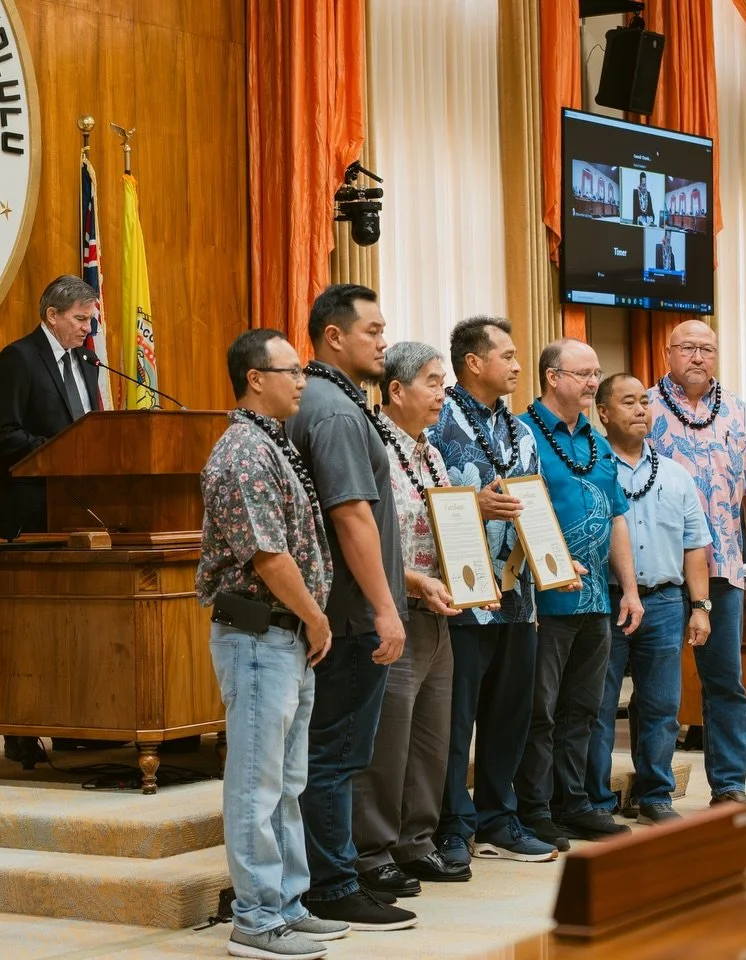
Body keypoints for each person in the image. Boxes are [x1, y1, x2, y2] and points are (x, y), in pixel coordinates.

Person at [196, 329, 350, 960]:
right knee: (257, 785)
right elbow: (265, 554)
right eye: (291, 371)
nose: (302, 382)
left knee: (287, 783)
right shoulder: (242, 453)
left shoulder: (272, 445)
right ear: (256, 378)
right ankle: (256, 919)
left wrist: (309, 621)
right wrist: (316, 616)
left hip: (285, 638)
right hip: (260, 635)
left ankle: (286, 903)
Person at [285, 284, 417, 931]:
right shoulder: (333, 410)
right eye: (372, 330)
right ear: (334, 337)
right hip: (350, 615)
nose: (382, 341)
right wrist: (385, 608)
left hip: (347, 608)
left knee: (330, 754)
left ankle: (330, 875)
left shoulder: (326, 401)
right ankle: (331, 886)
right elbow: (350, 517)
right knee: (333, 756)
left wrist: (405, 582)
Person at [429, 316, 560, 867]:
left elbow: (535, 505)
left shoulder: (522, 431)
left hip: (518, 595)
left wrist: (555, 558)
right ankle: (451, 826)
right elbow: (423, 503)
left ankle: (498, 820)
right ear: (473, 363)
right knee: (456, 721)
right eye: (505, 355)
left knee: (511, 715)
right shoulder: (437, 423)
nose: (515, 364)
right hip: (461, 598)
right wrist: (472, 505)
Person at [647, 319, 746, 817]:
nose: (698, 357)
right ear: (668, 353)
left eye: (707, 349)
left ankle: (729, 786)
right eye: (687, 348)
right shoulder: (643, 408)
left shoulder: (741, 414)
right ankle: (652, 791)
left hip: (723, 569)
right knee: (658, 689)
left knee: (726, 681)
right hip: (659, 571)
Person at [514, 341, 643, 849]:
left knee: (583, 709)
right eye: (582, 374)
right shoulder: (524, 434)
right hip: (545, 600)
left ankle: (575, 802)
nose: (593, 383)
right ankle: (535, 806)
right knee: (540, 710)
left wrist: (628, 590)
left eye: (596, 374)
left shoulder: (596, 438)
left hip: (595, 599)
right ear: (552, 377)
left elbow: (615, 518)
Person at [352, 343, 461, 899]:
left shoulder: (433, 455)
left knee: (430, 738)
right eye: (432, 382)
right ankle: (373, 852)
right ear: (396, 390)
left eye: (443, 381)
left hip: (438, 612)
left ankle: (418, 842)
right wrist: (415, 583)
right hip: (393, 609)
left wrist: (471, 580)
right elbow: (368, 537)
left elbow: (446, 526)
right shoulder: (372, 447)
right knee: (387, 740)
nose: (443, 392)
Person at [0, 274, 102, 765]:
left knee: (76, 625)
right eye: (80, 319)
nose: (87, 328)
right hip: (32, 514)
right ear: (51, 315)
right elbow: (2, 434)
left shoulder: (88, 362)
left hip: (77, 512)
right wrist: (59, 453)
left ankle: (73, 721)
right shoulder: (18, 359)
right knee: (34, 628)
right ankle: (21, 727)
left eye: (90, 319)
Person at [586, 374, 711, 825]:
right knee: (598, 706)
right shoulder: (590, 467)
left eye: (645, 401)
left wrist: (699, 606)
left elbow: (695, 544)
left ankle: (655, 795)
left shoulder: (676, 474)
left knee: (660, 705)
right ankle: (596, 801)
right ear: (602, 412)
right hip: (605, 602)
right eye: (628, 402)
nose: (641, 409)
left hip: (663, 602)